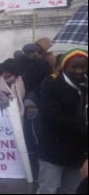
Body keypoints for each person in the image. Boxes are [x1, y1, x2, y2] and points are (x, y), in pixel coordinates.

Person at [36, 49, 88, 194]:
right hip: (53, 150)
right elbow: (50, 116)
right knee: (48, 190)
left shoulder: (86, 87)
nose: (79, 71)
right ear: (65, 66)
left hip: (77, 152)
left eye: (83, 67)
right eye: (74, 66)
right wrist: (82, 126)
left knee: (73, 190)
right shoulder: (52, 86)